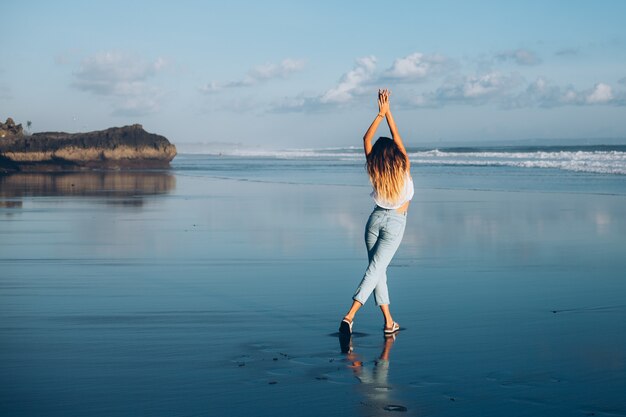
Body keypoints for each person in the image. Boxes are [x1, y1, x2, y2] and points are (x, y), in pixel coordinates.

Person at [339, 89, 413, 335]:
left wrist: (381, 114)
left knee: (377, 270)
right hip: (395, 224)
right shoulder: (403, 164)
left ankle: (389, 322)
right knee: (375, 270)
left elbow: (366, 140)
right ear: (394, 153)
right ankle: (349, 315)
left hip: (374, 220)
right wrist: (388, 114)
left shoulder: (374, 168)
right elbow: (397, 136)